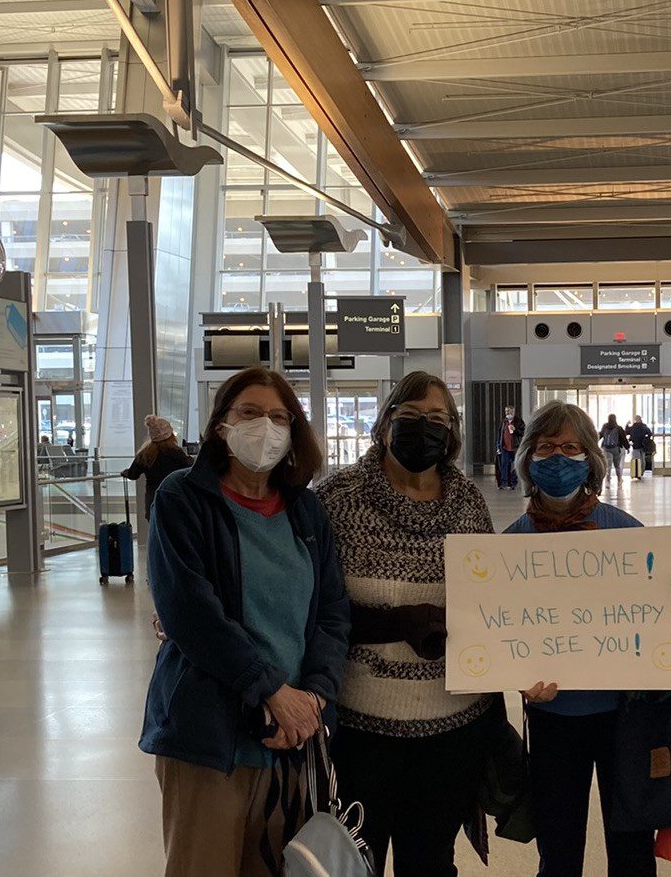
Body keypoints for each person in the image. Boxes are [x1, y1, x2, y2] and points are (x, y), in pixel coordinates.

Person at [140, 366, 350, 877]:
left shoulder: (305, 510)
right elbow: (191, 613)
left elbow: (330, 613)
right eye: (250, 413)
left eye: (280, 417)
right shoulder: (182, 499)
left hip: (292, 739)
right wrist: (270, 690)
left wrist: (314, 698)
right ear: (220, 426)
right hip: (211, 739)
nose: (266, 427)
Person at [506, 400, 671, 877]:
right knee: (558, 848)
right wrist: (516, 675)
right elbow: (502, 635)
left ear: (591, 456)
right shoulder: (510, 546)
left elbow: (667, 627)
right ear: (528, 458)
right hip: (554, 717)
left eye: (572, 447)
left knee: (632, 846)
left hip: (625, 716)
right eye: (547, 447)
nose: (558, 457)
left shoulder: (627, 534)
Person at [323, 371, 501, 876]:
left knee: (431, 862)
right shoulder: (338, 497)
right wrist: (400, 622)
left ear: (453, 433)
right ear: (384, 425)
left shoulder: (468, 502)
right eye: (410, 417)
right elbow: (314, 603)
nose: (424, 428)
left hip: (451, 729)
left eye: (438, 419)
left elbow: (496, 601)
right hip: (360, 729)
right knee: (360, 860)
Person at [124, 414, 193, 503]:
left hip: (153, 498)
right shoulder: (177, 453)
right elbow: (189, 468)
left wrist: (125, 473)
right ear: (170, 434)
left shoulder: (145, 454)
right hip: (174, 496)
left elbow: (132, 474)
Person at [496, 404, 524, 491]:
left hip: (515, 448)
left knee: (515, 466)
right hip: (504, 448)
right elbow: (499, 434)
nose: (507, 413)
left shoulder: (519, 421)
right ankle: (504, 483)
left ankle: (513, 483)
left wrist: (515, 429)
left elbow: (523, 433)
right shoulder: (504, 422)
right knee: (504, 465)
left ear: (513, 411)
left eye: (509, 411)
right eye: (506, 411)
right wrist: (498, 445)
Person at [598, 414, 627, 490]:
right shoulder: (618, 428)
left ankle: (607, 482)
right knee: (617, 466)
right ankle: (619, 480)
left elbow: (601, 435)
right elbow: (623, 438)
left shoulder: (605, 426)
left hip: (606, 448)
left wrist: (594, 441)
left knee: (608, 466)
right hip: (615, 449)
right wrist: (627, 447)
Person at [626, 415, 654, 479]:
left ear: (635, 419)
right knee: (642, 459)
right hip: (643, 445)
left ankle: (635, 473)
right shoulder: (644, 426)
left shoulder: (633, 427)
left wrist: (627, 425)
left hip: (635, 445)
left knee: (636, 459)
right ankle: (641, 472)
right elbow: (650, 433)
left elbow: (627, 432)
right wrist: (646, 438)